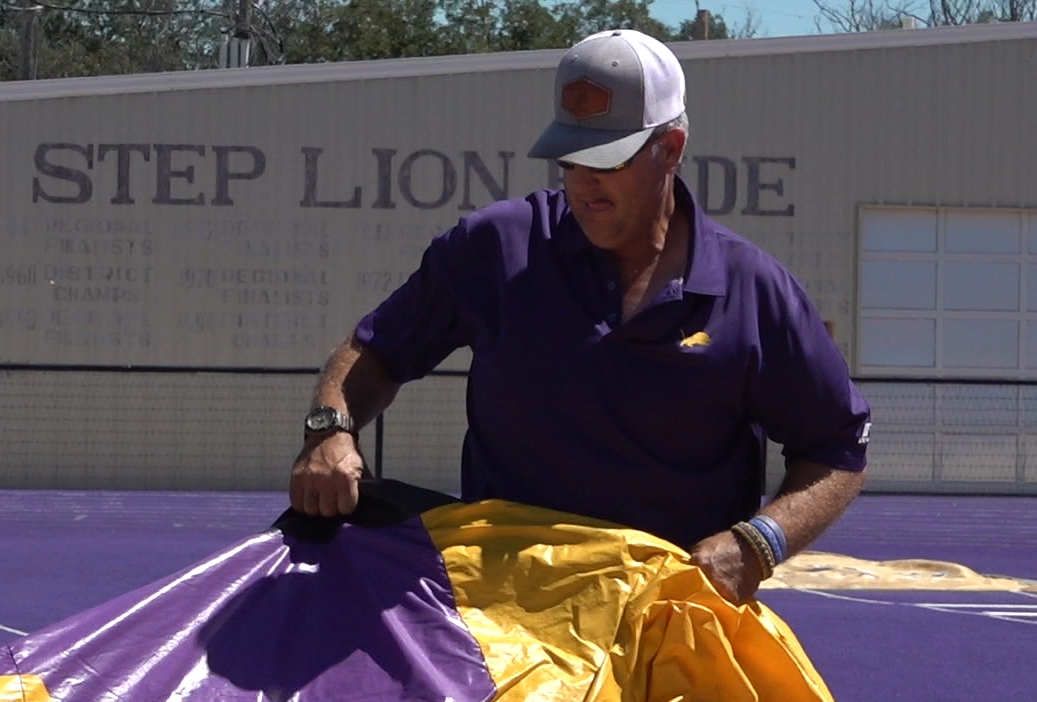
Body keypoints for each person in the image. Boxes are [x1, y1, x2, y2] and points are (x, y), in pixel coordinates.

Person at [289, 28, 870, 604]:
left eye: (607, 159)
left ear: (670, 149)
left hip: (668, 628)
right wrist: (329, 432)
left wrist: (758, 543)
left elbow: (837, 449)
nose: (581, 179)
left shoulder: (754, 292)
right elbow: (376, 351)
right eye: (569, 156)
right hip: (504, 620)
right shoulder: (497, 249)